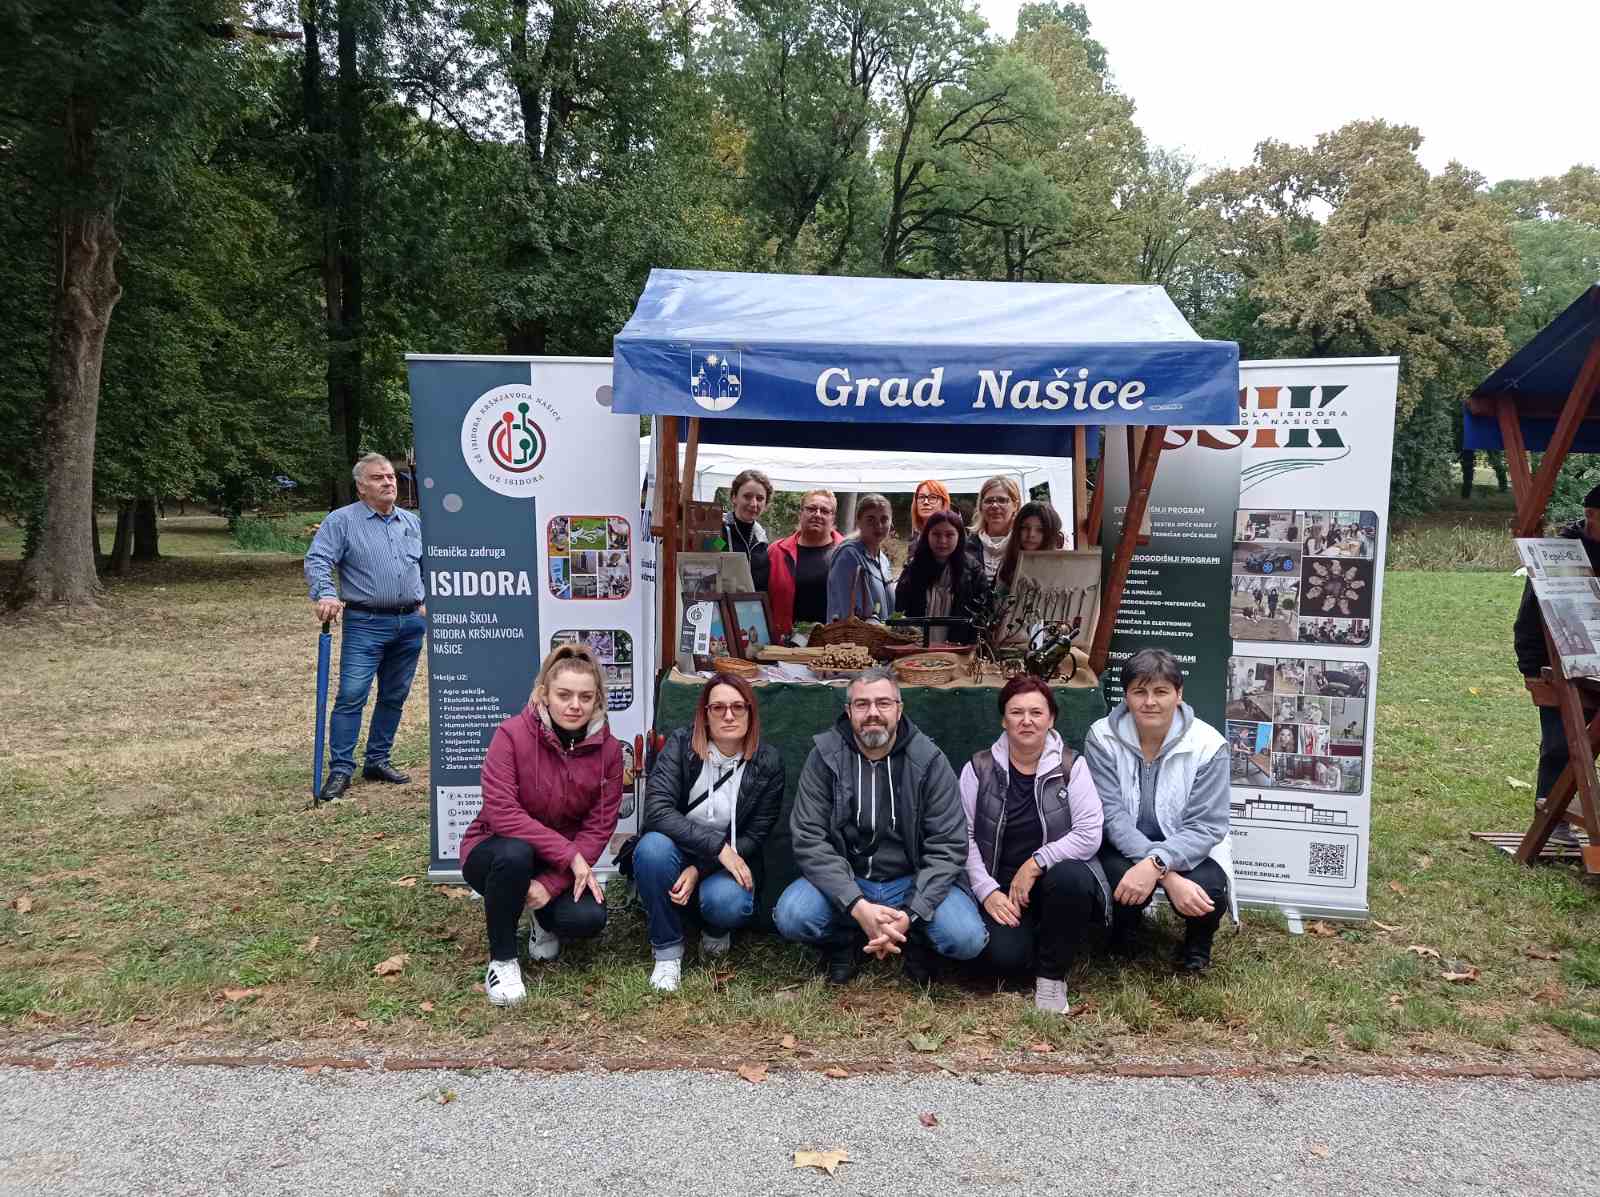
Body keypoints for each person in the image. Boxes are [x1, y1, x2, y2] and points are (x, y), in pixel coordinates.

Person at [774, 668, 986, 985]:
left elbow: (948, 845)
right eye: (862, 704)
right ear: (848, 711)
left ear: (899, 710)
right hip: (850, 878)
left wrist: (910, 913)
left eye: (883, 703)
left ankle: (912, 937)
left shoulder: (929, 759)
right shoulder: (825, 756)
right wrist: (857, 904)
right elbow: (809, 839)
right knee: (793, 915)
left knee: (966, 937)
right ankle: (844, 940)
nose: (873, 712)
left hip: (911, 880)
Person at [457, 644, 623, 1006]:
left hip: (555, 865)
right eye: (564, 695)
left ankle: (541, 919)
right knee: (515, 854)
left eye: (585, 697)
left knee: (588, 919)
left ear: (597, 701)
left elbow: (598, 827)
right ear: (544, 695)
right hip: (495, 848)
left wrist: (550, 884)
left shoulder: (610, 751)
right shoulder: (510, 734)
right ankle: (503, 961)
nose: (574, 705)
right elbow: (502, 812)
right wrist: (570, 856)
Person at [959, 675, 1107, 1015]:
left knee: (1072, 877)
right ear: (1003, 719)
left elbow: (1089, 833)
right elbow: (962, 837)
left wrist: (1036, 862)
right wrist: (986, 891)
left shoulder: (1071, 766)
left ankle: (1051, 977)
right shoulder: (978, 768)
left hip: (1053, 878)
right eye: (1017, 712)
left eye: (1036, 712)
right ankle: (1039, 942)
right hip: (1001, 885)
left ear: (1051, 719)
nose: (1027, 720)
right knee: (1006, 960)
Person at [1084, 648, 1234, 972]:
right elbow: (1111, 814)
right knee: (1118, 876)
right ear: (1126, 696)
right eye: (1139, 692)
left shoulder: (1209, 745)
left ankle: (1198, 943)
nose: (1150, 702)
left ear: (1179, 694)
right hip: (1124, 844)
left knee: (1208, 890)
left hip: (1187, 845)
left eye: (1161, 692)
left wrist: (1157, 865)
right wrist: (1167, 876)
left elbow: (1206, 826)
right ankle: (1125, 932)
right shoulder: (1101, 736)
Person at [635, 673, 784, 992]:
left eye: (737, 707)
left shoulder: (768, 762)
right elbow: (657, 811)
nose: (728, 715)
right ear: (705, 714)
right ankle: (667, 952)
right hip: (679, 849)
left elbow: (755, 835)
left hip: (727, 862)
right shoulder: (681, 745)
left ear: (750, 713)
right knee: (652, 849)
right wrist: (718, 847)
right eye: (718, 708)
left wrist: (700, 868)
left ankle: (715, 929)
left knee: (727, 902)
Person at [303, 453, 427, 802]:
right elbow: (318, 559)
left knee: (394, 694)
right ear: (361, 487)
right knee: (352, 694)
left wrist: (428, 598)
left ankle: (377, 760)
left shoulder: (412, 522)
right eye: (378, 478)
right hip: (365, 623)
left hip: (410, 623)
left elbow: (429, 564)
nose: (388, 482)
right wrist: (326, 594)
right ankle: (341, 768)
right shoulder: (342, 521)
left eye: (390, 476)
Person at [1515, 486, 1600, 843]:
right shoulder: (1560, 552)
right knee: (1560, 743)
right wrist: (1531, 666)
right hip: (1560, 664)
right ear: (1589, 514)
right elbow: (1530, 616)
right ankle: (1553, 821)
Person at [894, 508, 987, 645]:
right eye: (936, 534)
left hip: (958, 649)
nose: (942, 541)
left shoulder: (974, 572)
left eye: (949, 535)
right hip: (916, 648)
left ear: (959, 536)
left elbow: (981, 615)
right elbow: (900, 609)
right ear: (927, 535)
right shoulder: (913, 569)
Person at [768, 489, 843, 639]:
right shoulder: (776, 552)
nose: (817, 514)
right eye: (811, 509)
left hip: (834, 644)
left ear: (833, 518)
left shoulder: (847, 553)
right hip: (785, 645)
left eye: (825, 511)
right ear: (800, 513)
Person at [826, 492, 894, 623]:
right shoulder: (848, 556)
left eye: (884, 519)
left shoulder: (884, 560)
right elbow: (844, 612)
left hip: (880, 636)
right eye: (870, 519)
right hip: (851, 635)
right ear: (858, 521)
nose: (878, 526)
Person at [995, 501, 1066, 590]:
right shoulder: (1008, 564)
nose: (1031, 534)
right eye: (1025, 528)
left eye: (1040, 530)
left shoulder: (1063, 565)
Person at [721, 469, 772, 590]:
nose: (754, 504)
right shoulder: (721, 531)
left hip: (755, 602)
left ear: (766, 504)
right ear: (734, 497)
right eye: (747, 496)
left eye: (760, 498)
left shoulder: (761, 539)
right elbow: (707, 553)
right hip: (723, 601)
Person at [969, 475, 1022, 581]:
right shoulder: (966, 546)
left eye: (1002, 500)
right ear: (981, 506)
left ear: (1015, 506)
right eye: (989, 501)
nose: (994, 505)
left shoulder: (1024, 545)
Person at [909, 479, 954, 554]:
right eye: (921, 497)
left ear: (943, 503)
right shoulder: (915, 539)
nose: (926, 502)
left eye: (933, 497)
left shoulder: (952, 536)